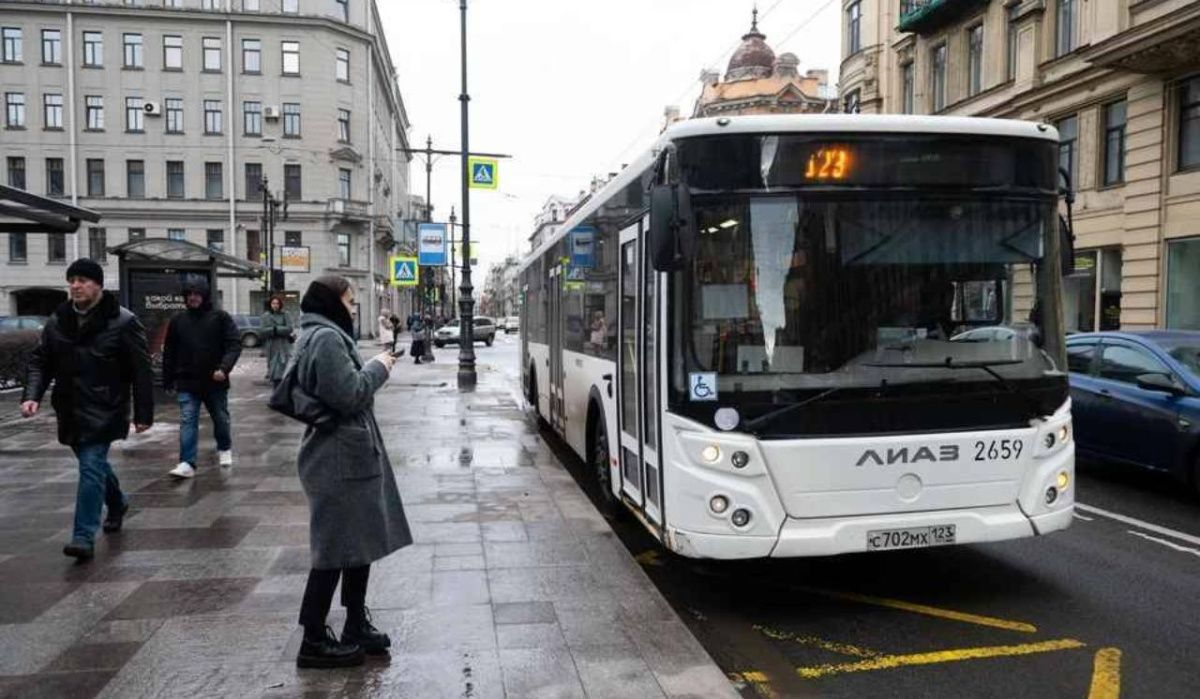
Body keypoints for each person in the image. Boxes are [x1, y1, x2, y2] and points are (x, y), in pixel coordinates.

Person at [291, 275, 412, 668]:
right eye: (349, 299)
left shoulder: (321, 333)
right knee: (334, 547)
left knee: (357, 542)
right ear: (331, 300)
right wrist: (380, 367)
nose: (354, 306)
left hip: (346, 452)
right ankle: (312, 638)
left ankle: (355, 623)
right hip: (338, 456)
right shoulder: (325, 338)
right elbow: (350, 395)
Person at [21, 259, 154, 561]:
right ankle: (117, 501)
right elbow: (41, 360)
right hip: (69, 407)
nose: (76, 286)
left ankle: (83, 537)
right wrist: (32, 395)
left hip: (105, 407)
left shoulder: (122, 321)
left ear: (98, 285)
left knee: (91, 465)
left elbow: (141, 370)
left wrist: (144, 414)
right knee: (93, 466)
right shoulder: (59, 320)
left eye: (83, 280)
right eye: (72, 280)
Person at [162, 279, 242, 478]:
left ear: (205, 296)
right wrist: (168, 378)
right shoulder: (178, 321)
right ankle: (186, 462)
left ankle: (224, 448)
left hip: (215, 381)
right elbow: (170, 351)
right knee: (188, 420)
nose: (193, 298)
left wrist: (224, 368)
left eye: (197, 294)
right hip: (187, 381)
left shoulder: (220, 318)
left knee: (221, 418)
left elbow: (234, 344)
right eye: (189, 294)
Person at [261, 296, 292, 387]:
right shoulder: (265, 316)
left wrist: (276, 329)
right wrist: (273, 330)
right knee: (273, 369)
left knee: (283, 368)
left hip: (283, 345)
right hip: (271, 345)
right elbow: (262, 331)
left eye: (277, 303)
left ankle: (282, 392)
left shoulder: (285, 314)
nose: (275, 305)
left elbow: (289, 328)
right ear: (270, 304)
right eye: (273, 303)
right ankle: (276, 393)